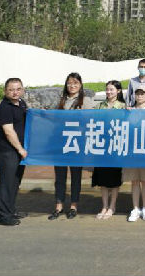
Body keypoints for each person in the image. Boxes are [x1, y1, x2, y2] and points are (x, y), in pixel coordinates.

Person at [49, 72, 90, 220]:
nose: (72, 86)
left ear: (80, 85)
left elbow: (92, 120)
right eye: (69, 83)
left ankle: (73, 206)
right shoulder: (61, 100)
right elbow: (54, 119)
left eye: (75, 83)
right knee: (59, 177)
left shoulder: (86, 101)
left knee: (75, 176)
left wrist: (82, 115)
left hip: (76, 144)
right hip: (60, 143)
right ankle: (58, 206)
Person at [0, 78, 28, 226]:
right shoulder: (4, 107)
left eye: (18, 89)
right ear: (5, 91)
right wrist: (20, 149)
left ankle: (10, 210)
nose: (15, 92)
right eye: (11, 90)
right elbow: (8, 131)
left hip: (18, 152)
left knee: (14, 183)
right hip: (8, 152)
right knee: (6, 183)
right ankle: (3, 216)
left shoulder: (21, 104)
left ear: (23, 90)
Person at [92, 80, 127, 220]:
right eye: (107, 89)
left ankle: (112, 206)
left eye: (111, 89)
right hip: (102, 145)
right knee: (102, 178)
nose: (109, 92)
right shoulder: (100, 106)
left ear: (118, 91)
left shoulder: (123, 106)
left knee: (114, 179)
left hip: (116, 145)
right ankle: (104, 206)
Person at [126, 86, 145, 222]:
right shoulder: (129, 111)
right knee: (135, 181)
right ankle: (135, 208)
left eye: (142, 94)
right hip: (132, 150)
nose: (140, 96)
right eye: (137, 94)